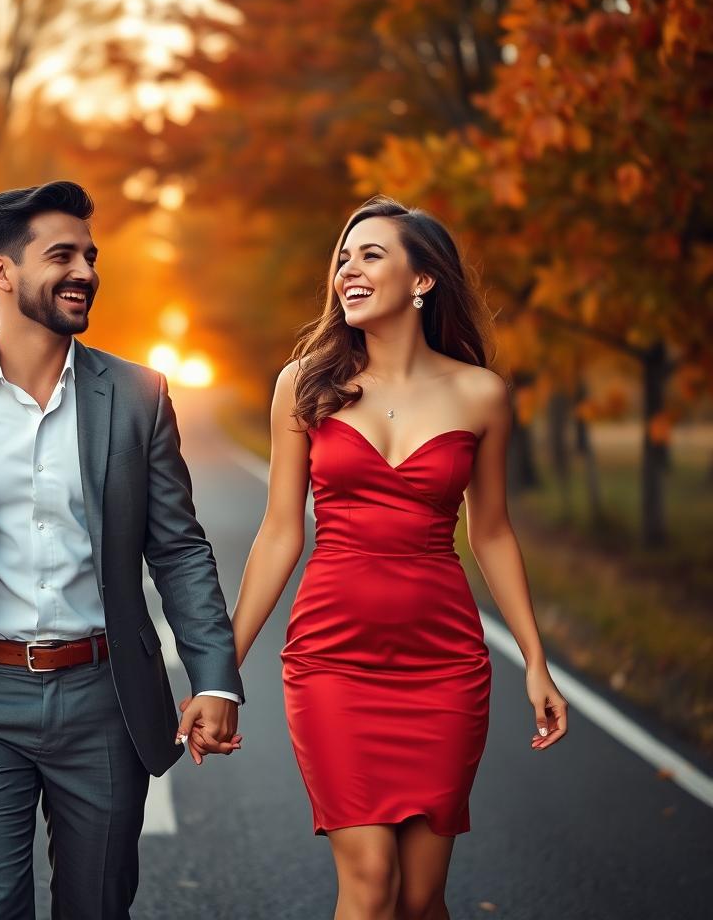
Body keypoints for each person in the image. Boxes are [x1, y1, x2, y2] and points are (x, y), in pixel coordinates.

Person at [0, 180, 243, 920]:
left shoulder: (138, 396)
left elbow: (179, 549)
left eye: (90, 256)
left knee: (97, 908)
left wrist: (215, 678)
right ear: (1, 272)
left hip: (104, 700)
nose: (86, 272)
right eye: (62, 254)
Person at [222, 195, 569, 920]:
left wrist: (535, 658)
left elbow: (493, 532)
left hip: (443, 664)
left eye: (370, 255)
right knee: (370, 882)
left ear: (423, 280)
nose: (348, 268)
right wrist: (221, 671)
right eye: (343, 257)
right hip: (332, 660)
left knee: (420, 898)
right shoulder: (304, 384)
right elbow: (280, 531)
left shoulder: (481, 394)